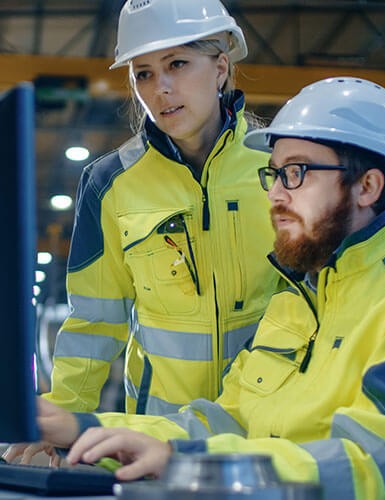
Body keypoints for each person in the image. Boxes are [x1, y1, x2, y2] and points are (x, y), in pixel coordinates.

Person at [8, 77, 385, 498]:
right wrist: (81, 427)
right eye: (275, 174)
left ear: (368, 186)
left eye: (298, 173)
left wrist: (187, 466)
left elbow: (373, 465)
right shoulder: (300, 302)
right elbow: (229, 419)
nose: (277, 195)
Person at [44, 0, 278, 418]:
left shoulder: (280, 169)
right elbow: (94, 321)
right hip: (158, 439)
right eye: (144, 74)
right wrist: (63, 415)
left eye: (178, 64)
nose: (160, 88)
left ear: (220, 68)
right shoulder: (110, 182)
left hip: (269, 430)